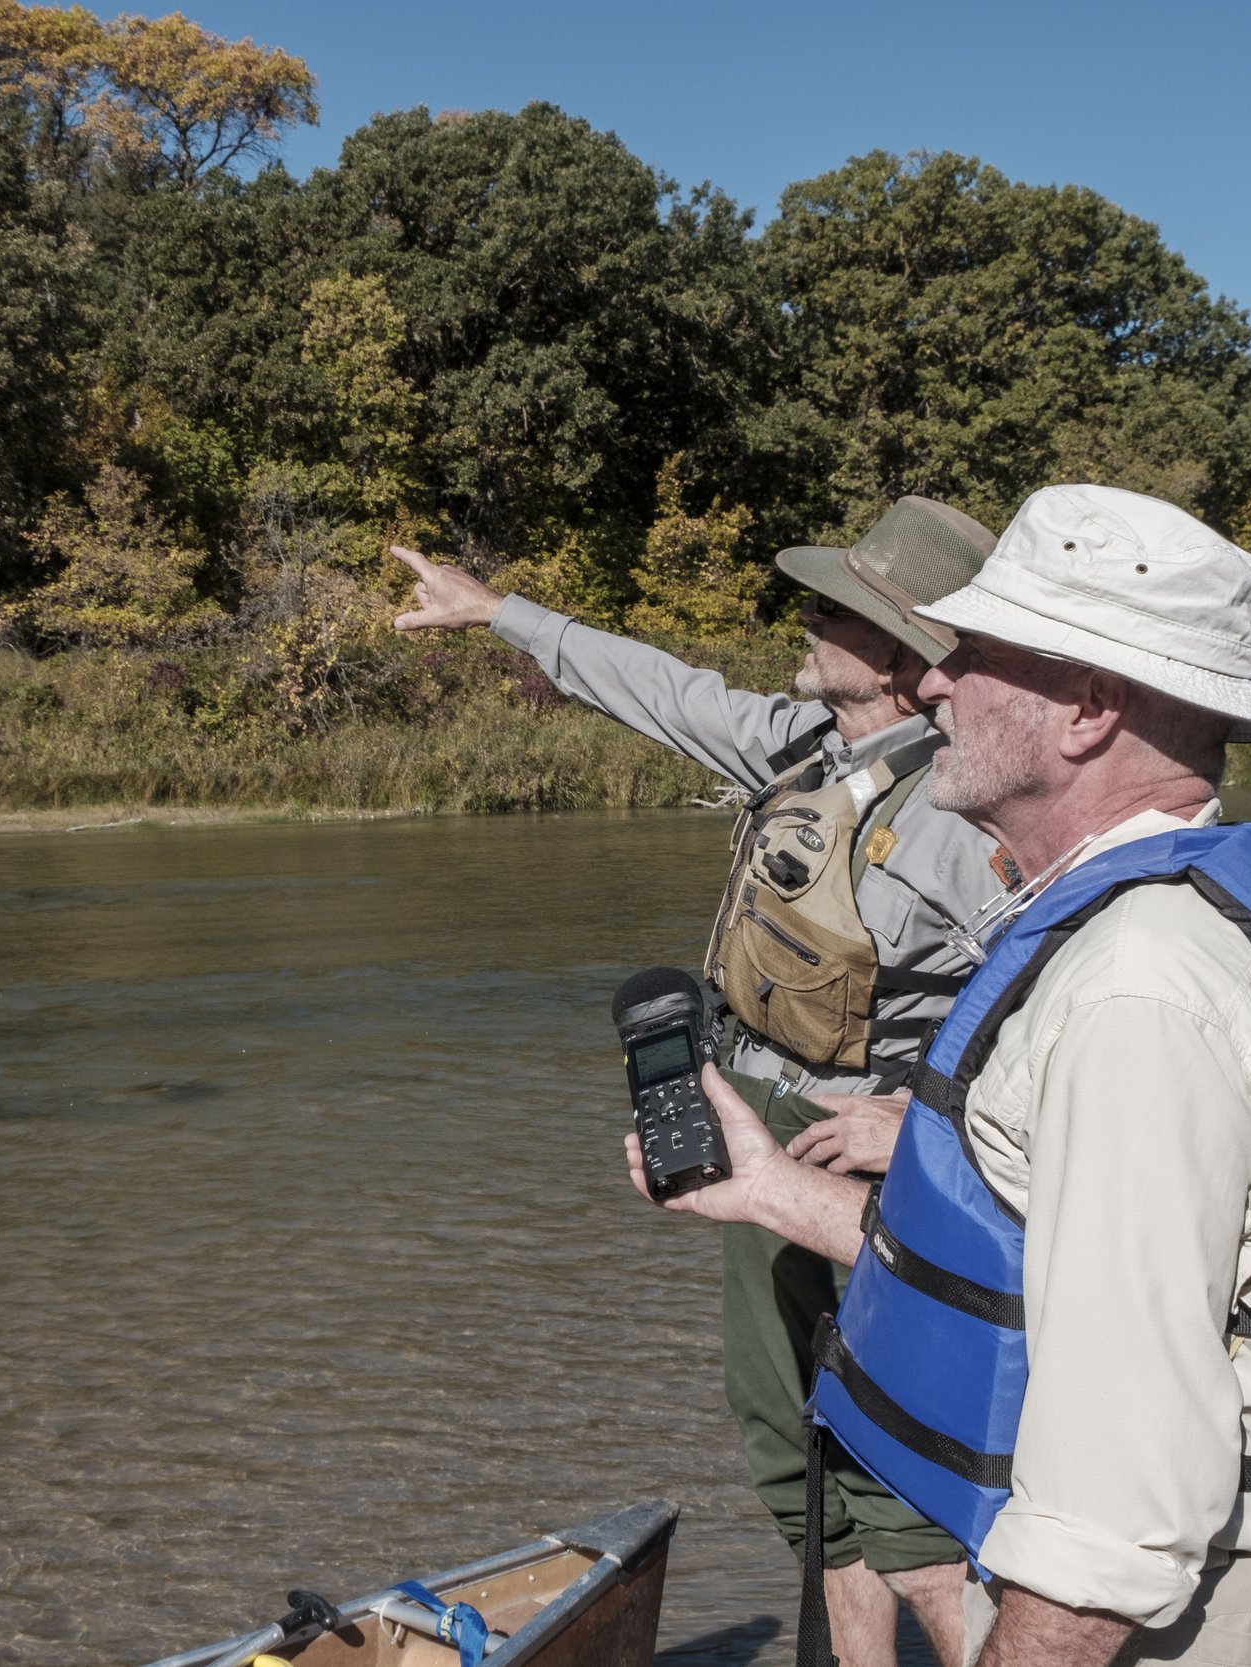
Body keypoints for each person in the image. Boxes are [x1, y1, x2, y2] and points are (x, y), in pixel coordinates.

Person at [633, 484, 1251, 1667]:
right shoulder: (1170, 913)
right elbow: (1041, 1264)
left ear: (1086, 707)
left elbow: (1112, 1521)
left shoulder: (1134, 987)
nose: (930, 681)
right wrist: (769, 1187)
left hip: (1153, 1622)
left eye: (971, 654)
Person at [391, 503, 1016, 1665]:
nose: (808, 615)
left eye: (833, 607)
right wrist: (497, 613)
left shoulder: (957, 811)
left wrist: (932, 1114)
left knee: (905, 1480)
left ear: (895, 654)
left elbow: (1048, 992)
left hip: (881, 1144)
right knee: (794, 1445)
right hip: (758, 1123)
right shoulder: (796, 745)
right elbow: (659, 687)